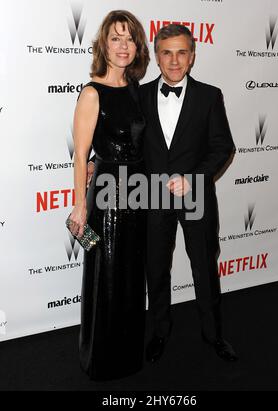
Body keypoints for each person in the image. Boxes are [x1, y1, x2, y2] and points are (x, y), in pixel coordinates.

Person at [139, 24, 238, 363]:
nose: (174, 60)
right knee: (155, 268)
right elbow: (127, 145)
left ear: (192, 56)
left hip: (195, 196)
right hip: (151, 196)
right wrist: (96, 162)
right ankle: (160, 332)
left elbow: (222, 146)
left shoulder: (210, 95)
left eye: (182, 52)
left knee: (204, 267)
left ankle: (214, 336)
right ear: (156, 56)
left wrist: (193, 178)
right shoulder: (138, 96)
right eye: (167, 52)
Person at [68, 10, 149, 381]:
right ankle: (101, 359)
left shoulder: (135, 87)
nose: (123, 46)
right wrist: (80, 205)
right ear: (104, 44)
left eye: (129, 38)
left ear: (137, 46)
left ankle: (128, 354)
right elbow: (80, 155)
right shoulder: (91, 92)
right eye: (116, 38)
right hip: (107, 196)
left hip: (139, 193)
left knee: (132, 278)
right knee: (107, 277)